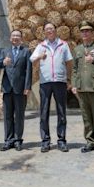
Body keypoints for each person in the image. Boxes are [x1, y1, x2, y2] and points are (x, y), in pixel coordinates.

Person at [30, 22, 73, 153]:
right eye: (47, 29)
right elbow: (32, 60)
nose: (49, 31)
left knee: (61, 112)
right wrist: (39, 56)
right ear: (44, 32)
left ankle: (61, 141)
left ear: (55, 30)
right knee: (44, 112)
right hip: (45, 82)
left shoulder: (63, 44)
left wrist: (69, 79)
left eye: (52, 29)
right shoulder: (41, 46)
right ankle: (45, 141)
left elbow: (69, 62)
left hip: (60, 81)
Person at [71, 21, 94, 155]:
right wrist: (74, 84)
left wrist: (93, 59)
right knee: (86, 116)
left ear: (92, 33)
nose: (85, 33)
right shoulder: (77, 49)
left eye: (88, 31)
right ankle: (90, 141)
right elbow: (75, 69)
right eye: (83, 31)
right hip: (81, 87)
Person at [0, 29, 32, 151]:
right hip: (7, 88)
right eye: (13, 36)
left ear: (21, 38)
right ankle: (8, 140)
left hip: (20, 88)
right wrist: (3, 62)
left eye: (18, 36)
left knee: (19, 116)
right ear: (10, 38)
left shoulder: (26, 51)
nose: (15, 38)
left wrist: (27, 87)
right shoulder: (5, 51)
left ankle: (18, 140)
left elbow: (28, 70)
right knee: (7, 115)